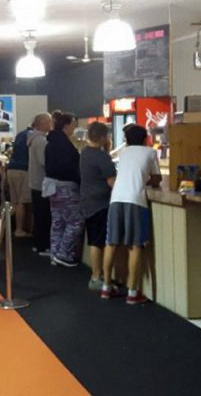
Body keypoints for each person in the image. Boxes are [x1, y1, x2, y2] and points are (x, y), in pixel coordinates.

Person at [102, 125, 162, 304]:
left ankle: (106, 286)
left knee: (111, 242)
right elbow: (157, 179)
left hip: (116, 199)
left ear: (127, 140)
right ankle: (133, 291)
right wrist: (146, 179)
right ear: (146, 139)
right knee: (135, 246)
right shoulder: (150, 153)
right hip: (136, 200)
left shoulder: (125, 152)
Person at [80, 122, 117, 290]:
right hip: (101, 203)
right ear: (103, 137)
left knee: (94, 239)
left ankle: (97, 275)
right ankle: (96, 276)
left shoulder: (85, 153)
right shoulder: (102, 157)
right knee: (99, 241)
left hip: (87, 200)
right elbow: (112, 182)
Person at [45, 111, 84, 267]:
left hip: (51, 186)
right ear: (66, 126)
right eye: (73, 125)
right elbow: (68, 166)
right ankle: (64, 254)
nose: (74, 128)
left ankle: (55, 253)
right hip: (66, 187)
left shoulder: (51, 142)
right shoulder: (64, 144)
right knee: (76, 221)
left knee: (58, 221)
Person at [28, 113, 53, 255]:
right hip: (41, 183)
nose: (51, 124)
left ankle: (38, 244)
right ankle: (43, 246)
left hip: (35, 182)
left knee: (38, 216)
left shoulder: (33, 139)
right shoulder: (41, 141)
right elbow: (44, 161)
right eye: (49, 122)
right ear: (42, 123)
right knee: (44, 217)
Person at [8, 124, 33, 238]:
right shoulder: (32, 135)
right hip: (22, 170)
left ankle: (3, 224)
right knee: (21, 202)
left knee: (15, 202)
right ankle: (18, 229)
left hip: (11, 169)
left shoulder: (20, 134)